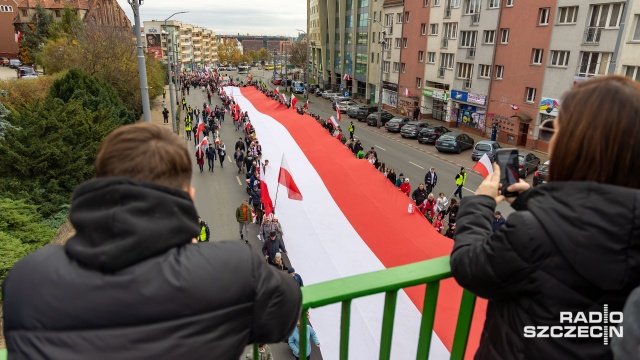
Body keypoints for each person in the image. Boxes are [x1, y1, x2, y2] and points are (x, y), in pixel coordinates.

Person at [1, 123, 302, 359]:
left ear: (100, 186)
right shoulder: (231, 269)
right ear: (188, 197)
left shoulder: (27, 279)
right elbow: (287, 306)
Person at [450, 76, 640, 359]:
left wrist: (480, 203)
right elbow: (585, 219)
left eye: (558, 132)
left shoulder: (530, 234)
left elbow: (470, 265)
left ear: (576, 147)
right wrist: (531, 198)